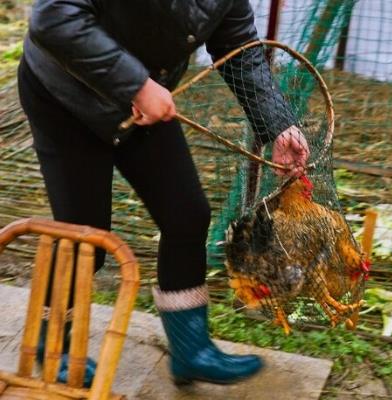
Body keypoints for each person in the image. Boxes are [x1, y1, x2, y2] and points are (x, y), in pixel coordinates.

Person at [18, 0, 309, 387]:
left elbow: (239, 49)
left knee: (187, 215)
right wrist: (137, 85)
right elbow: (53, 17)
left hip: (143, 104)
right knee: (85, 237)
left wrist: (278, 125)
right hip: (67, 96)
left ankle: (191, 351)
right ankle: (52, 342)